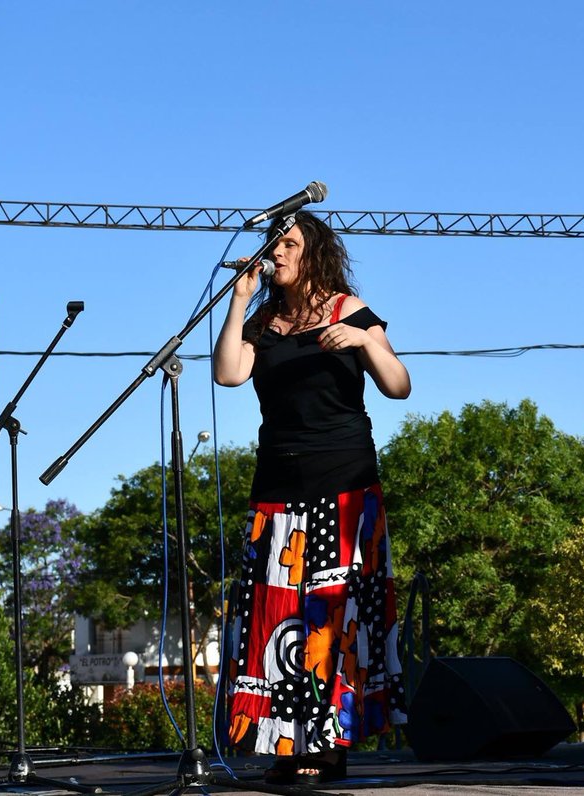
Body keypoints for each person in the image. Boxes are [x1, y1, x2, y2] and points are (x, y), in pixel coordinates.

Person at [214, 210, 411, 784]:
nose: (277, 252)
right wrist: (238, 301)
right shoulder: (265, 322)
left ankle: (328, 746)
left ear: (313, 252)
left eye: (289, 243)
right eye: (273, 243)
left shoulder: (349, 309)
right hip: (277, 486)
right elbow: (229, 375)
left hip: (344, 485)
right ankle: (284, 746)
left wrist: (363, 342)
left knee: (332, 621)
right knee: (276, 620)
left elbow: (399, 385)